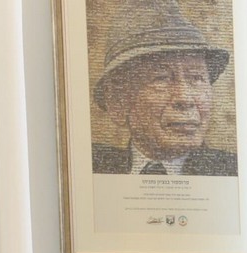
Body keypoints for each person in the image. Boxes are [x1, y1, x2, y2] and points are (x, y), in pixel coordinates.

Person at [91, 0, 238, 177]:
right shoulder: (92, 167)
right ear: (117, 103)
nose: (185, 98)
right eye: (162, 79)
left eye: (196, 78)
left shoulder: (233, 172)